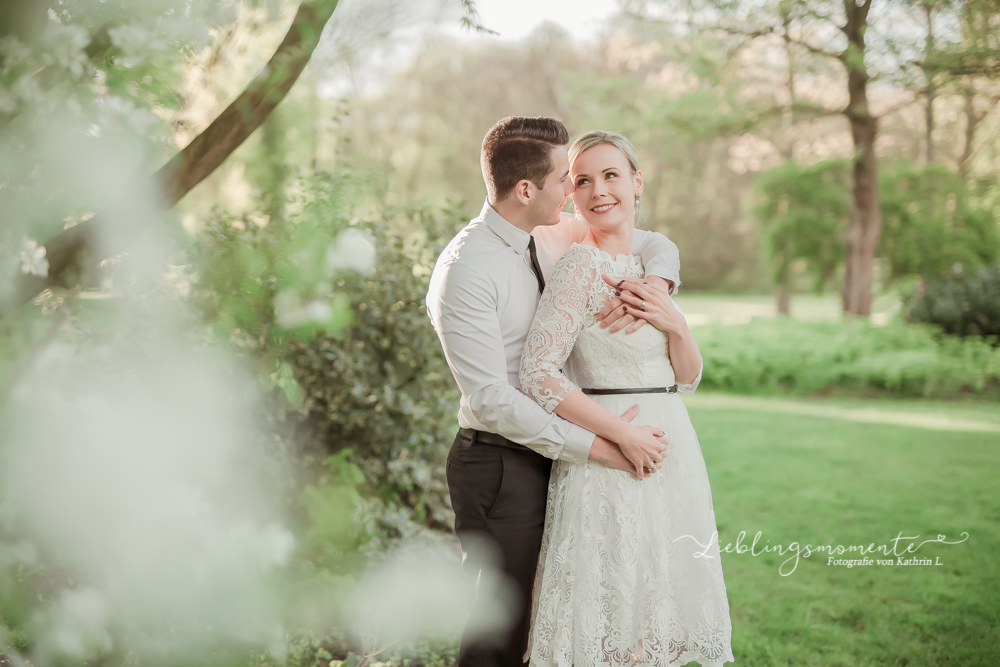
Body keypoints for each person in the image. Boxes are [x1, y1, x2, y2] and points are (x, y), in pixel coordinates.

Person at [425, 116, 684, 667]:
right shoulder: (469, 268)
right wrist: (603, 446)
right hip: (502, 463)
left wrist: (658, 283)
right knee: (503, 628)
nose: (577, 189)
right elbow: (493, 398)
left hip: (559, 453)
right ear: (526, 189)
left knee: (560, 616)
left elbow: (650, 237)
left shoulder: (547, 236)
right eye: (567, 178)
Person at [518, 130, 735, 667]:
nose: (599, 190)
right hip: (613, 446)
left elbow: (687, 380)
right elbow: (537, 372)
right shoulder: (578, 267)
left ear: (637, 182)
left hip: (674, 446)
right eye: (583, 180)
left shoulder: (652, 268)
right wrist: (621, 435)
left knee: (661, 610)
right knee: (609, 609)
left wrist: (674, 324)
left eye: (611, 175)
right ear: (571, 193)